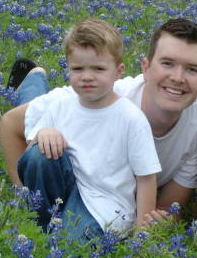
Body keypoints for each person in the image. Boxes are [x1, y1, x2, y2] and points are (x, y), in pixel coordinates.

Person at [0, 18, 197, 219]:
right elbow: (10, 124)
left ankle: (32, 79)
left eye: (191, 69)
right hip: (79, 185)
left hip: (116, 200)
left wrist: (151, 224)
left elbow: (167, 207)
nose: (177, 78)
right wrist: (26, 198)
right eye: (167, 63)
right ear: (146, 68)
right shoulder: (102, 94)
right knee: (41, 123)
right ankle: (32, 81)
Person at [17, 19, 161, 241]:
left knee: (69, 249)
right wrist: (43, 132)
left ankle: (57, 234)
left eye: (98, 69)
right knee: (38, 154)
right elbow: (30, 154)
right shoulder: (60, 106)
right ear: (68, 69)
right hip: (67, 188)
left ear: (118, 71)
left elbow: (146, 178)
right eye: (78, 68)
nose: (86, 76)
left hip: (105, 206)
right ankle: (42, 223)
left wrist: (141, 231)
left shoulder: (131, 118)